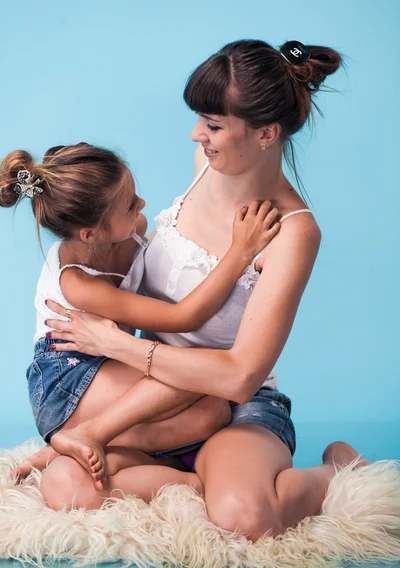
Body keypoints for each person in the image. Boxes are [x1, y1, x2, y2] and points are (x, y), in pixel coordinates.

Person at [13, 39, 369, 540]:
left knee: (245, 520)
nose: (196, 133)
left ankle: (338, 470)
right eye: (201, 118)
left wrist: (118, 344)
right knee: (69, 489)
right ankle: (194, 481)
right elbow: (148, 282)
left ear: (267, 132)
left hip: (229, 404)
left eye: (215, 125)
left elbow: (242, 376)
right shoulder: (206, 166)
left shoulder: (293, 231)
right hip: (153, 398)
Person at [0, 142, 280, 491]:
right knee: (195, 369)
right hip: (66, 377)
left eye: (135, 194)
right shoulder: (77, 281)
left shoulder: (133, 228)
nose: (142, 206)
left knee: (214, 413)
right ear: (91, 234)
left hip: (110, 358)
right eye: (131, 205)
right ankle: (86, 433)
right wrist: (241, 252)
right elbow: (183, 317)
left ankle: (69, 446)